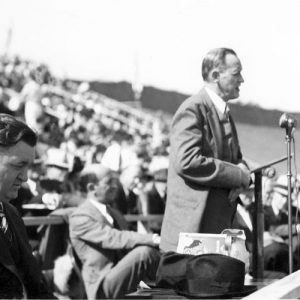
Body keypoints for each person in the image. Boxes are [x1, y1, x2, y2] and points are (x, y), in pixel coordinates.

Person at [160, 48, 252, 252]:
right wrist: (238, 175)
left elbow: (236, 159)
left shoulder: (224, 112)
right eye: (236, 74)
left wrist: (243, 171)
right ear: (215, 76)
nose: (242, 80)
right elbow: (187, 161)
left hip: (215, 229)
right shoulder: (192, 108)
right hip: (193, 232)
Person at [69, 164, 161, 299]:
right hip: (103, 286)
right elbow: (114, 238)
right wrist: (153, 239)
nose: (115, 186)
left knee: (153, 253)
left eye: (115, 181)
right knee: (144, 253)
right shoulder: (80, 217)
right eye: (109, 182)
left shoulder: (115, 213)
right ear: (91, 187)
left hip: (126, 280)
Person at [0, 113, 54, 298]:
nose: (25, 177)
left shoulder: (11, 214)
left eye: (28, 167)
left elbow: (36, 287)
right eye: (18, 165)